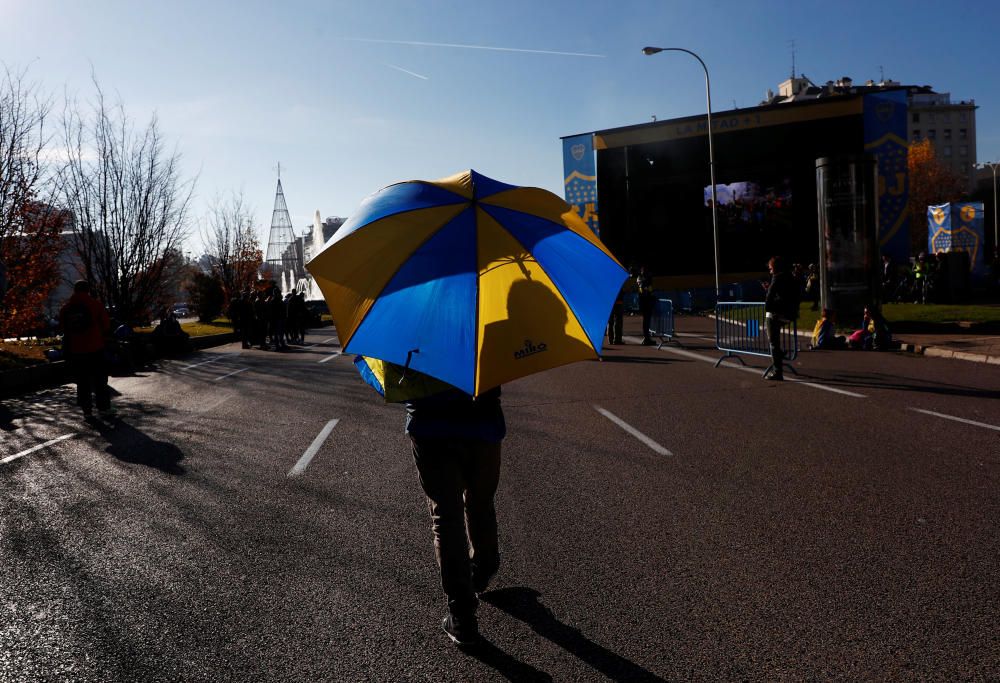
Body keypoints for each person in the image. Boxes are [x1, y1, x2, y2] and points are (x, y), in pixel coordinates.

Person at [405, 384, 505, 647]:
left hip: (430, 424)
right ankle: (483, 567)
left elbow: (391, 379)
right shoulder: (486, 339)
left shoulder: (416, 339)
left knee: (446, 517)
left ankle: (461, 613)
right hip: (482, 420)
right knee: (480, 501)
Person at [59, 280, 113, 417]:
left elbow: (63, 328)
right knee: (100, 379)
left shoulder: (66, 308)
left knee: (82, 381)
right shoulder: (95, 305)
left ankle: (86, 410)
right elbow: (106, 325)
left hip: (76, 350)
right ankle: (104, 408)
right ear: (88, 290)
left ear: (75, 291)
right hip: (96, 348)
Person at [763, 255, 799, 381]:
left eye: (771, 268)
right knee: (775, 341)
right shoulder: (791, 277)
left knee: (773, 342)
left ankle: (777, 371)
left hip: (778, 313)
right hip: (791, 314)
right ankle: (780, 353)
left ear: (775, 268)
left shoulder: (776, 278)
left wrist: (768, 307)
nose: (770, 271)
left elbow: (770, 297)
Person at [636, 265, 655, 345]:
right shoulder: (643, 281)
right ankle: (646, 338)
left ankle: (646, 337)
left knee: (646, 321)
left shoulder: (640, 279)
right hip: (646, 303)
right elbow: (646, 291)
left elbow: (649, 290)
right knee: (646, 321)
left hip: (644, 302)